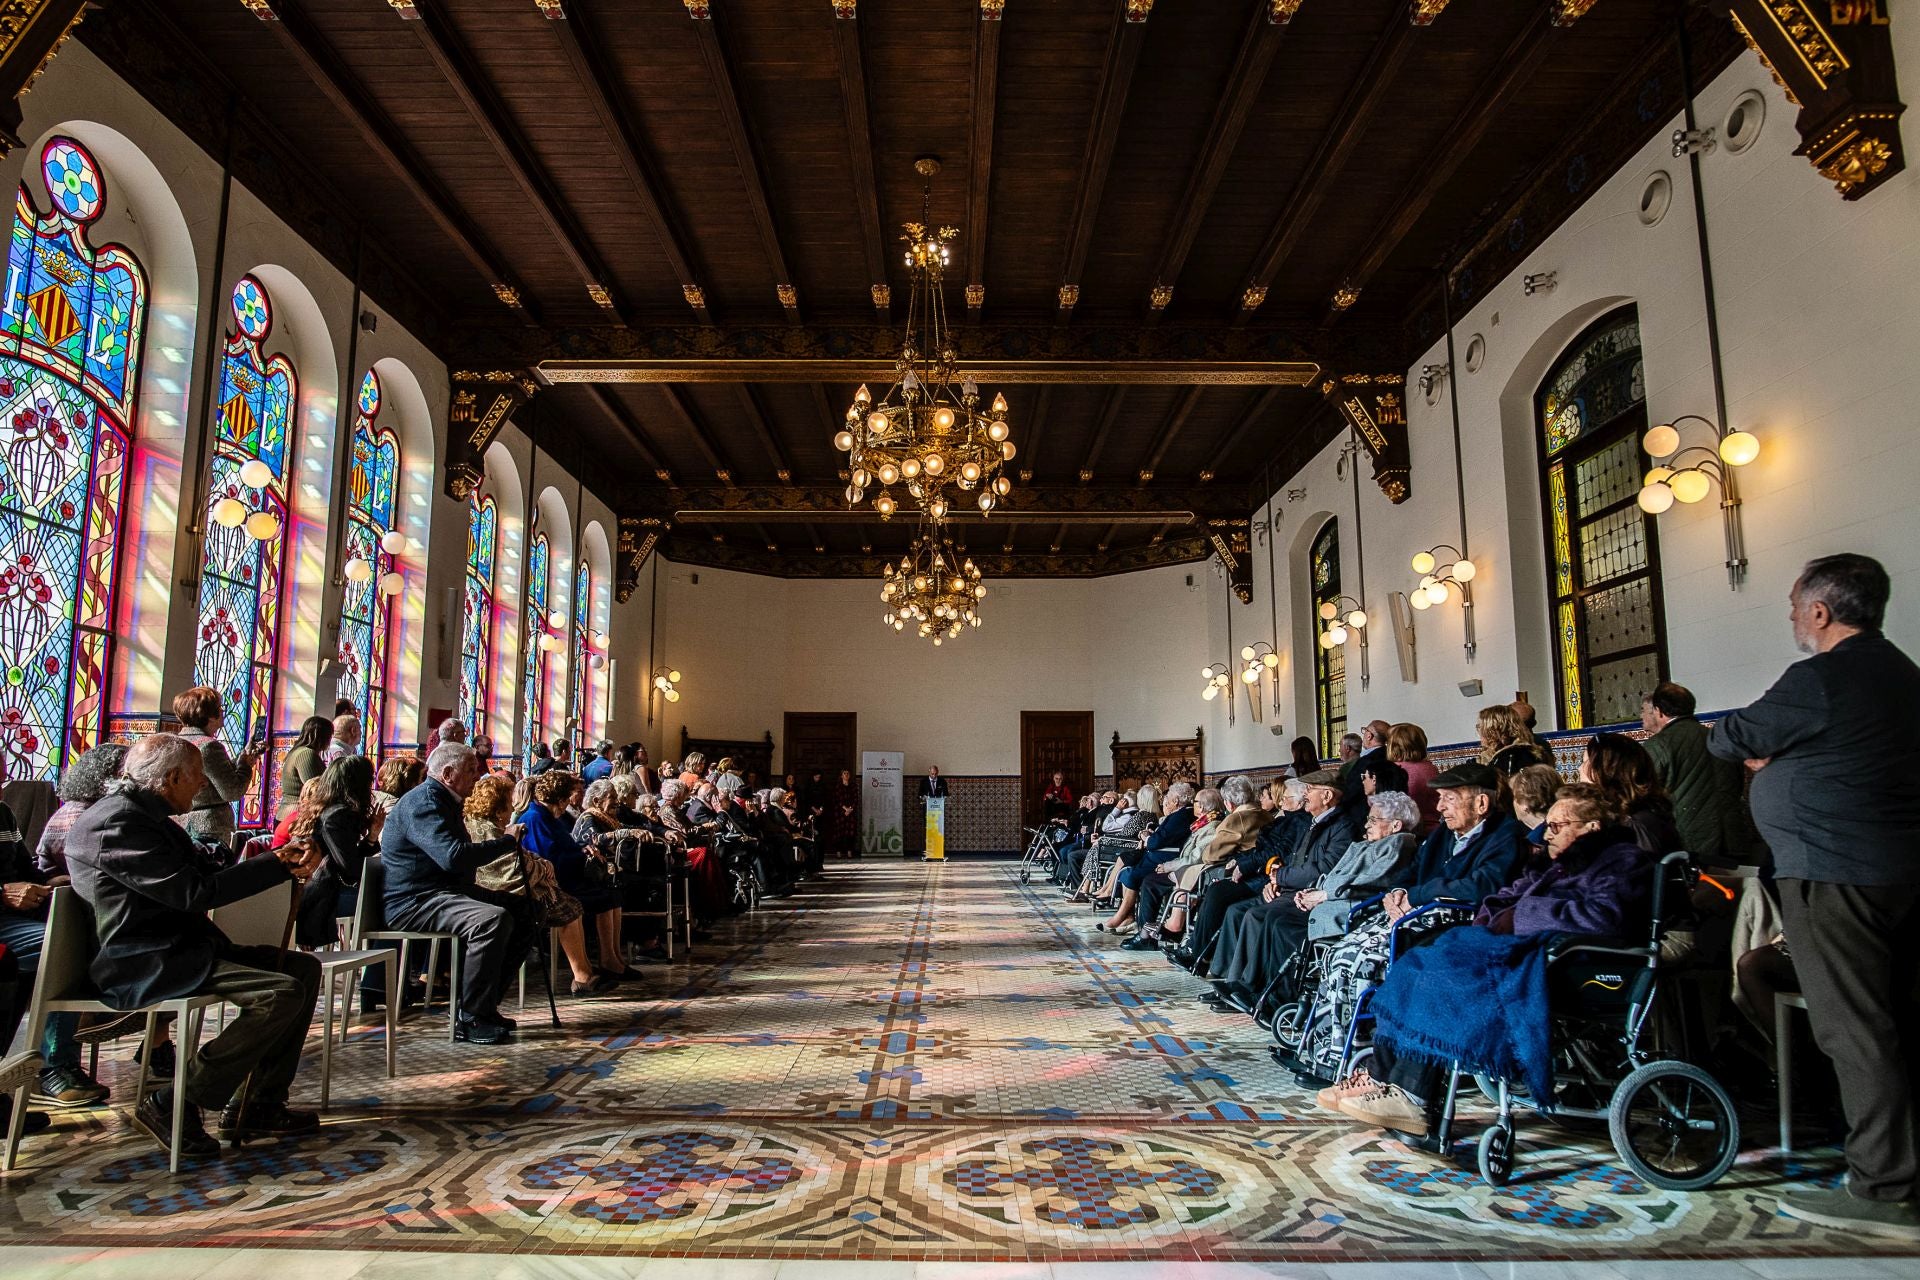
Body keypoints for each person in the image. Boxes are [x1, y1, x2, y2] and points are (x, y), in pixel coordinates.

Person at [1708, 553, 1920, 1238]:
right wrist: (1794, 760)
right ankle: (1889, 1157)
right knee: (1891, 1020)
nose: (1796, 617)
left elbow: (1729, 736)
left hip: (1835, 874)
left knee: (1855, 1027)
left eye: (1798, 606)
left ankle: (1884, 1186)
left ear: (1822, 611)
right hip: (1894, 872)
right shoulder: (1904, 677)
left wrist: (1774, 757)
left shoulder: (1821, 677)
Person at [1334, 783, 1654, 1134]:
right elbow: (1507, 894)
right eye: (1547, 824)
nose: (1547, 834)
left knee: (1443, 979)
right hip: (1521, 948)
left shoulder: (1623, 861)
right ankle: (1383, 1078)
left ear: (1591, 827)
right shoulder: (1558, 865)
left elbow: (1604, 917)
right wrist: (1497, 914)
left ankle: (1412, 1094)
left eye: (1557, 826)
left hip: (1566, 962)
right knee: (1416, 964)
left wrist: (1522, 915)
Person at [65, 734, 322, 1155]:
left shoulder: (147, 817)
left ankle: (260, 1102)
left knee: (302, 969)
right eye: (198, 777)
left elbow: (205, 867)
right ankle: (176, 1101)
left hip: (181, 948)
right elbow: (192, 892)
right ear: (171, 778)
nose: (203, 786)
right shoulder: (118, 823)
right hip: (144, 960)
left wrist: (282, 859)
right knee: (279, 992)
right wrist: (273, 863)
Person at [381, 743, 536, 1045]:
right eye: (471, 770)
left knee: (526, 912)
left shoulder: (445, 800)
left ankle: (485, 1006)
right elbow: (452, 857)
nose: (478, 776)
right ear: (448, 773)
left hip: (445, 893)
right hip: (416, 900)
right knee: (490, 920)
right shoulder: (423, 803)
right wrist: (506, 842)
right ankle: (471, 1017)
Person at [1641, 681, 1754, 865]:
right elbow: (1739, 784)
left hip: (1693, 843)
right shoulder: (1718, 738)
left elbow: (1645, 793)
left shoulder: (1659, 745)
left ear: (1659, 711)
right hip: (1734, 838)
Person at [173, 686, 267, 845]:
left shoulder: (176, 742)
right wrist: (245, 765)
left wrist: (244, 754)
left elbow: (215, 774)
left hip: (181, 823)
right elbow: (232, 791)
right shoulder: (209, 746)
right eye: (220, 707)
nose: (223, 711)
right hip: (209, 827)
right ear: (210, 716)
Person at [35, 742, 128, 878]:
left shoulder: (88, 808)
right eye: (125, 776)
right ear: (110, 777)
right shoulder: (82, 816)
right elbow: (115, 868)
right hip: (64, 894)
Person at [1580, 732, 1682, 855]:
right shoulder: (1631, 815)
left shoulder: (1634, 825)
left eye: (1585, 762)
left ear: (1607, 771)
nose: (1579, 769)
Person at [1340, 720, 1408, 824]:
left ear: (1369, 736)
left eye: (1365, 730)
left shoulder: (1366, 761)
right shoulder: (1389, 756)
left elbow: (1351, 790)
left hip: (1362, 817)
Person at [1386, 723, 1440, 834]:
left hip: (1403, 833)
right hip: (1433, 831)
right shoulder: (1431, 768)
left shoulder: (1394, 770)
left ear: (1394, 745)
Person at [279, 715, 334, 821]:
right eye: (330, 736)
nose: (330, 740)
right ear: (322, 736)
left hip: (291, 814)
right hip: (296, 816)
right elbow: (316, 788)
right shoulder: (306, 754)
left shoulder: (297, 751)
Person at [372, 755, 426, 822]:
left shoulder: (378, 803)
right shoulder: (397, 814)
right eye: (423, 778)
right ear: (409, 783)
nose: (427, 783)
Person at [826, 767, 860, 859]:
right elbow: (837, 800)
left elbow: (856, 799)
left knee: (851, 833)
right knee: (839, 833)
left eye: (847, 773)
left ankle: (849, 851)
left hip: (851, 812)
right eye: (844, 773)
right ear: (841, 776)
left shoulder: (853, 786)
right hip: (840, 812)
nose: (846, 775)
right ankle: (838, 851)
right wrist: (845, 808)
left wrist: (850, 809)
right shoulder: (838, 786)